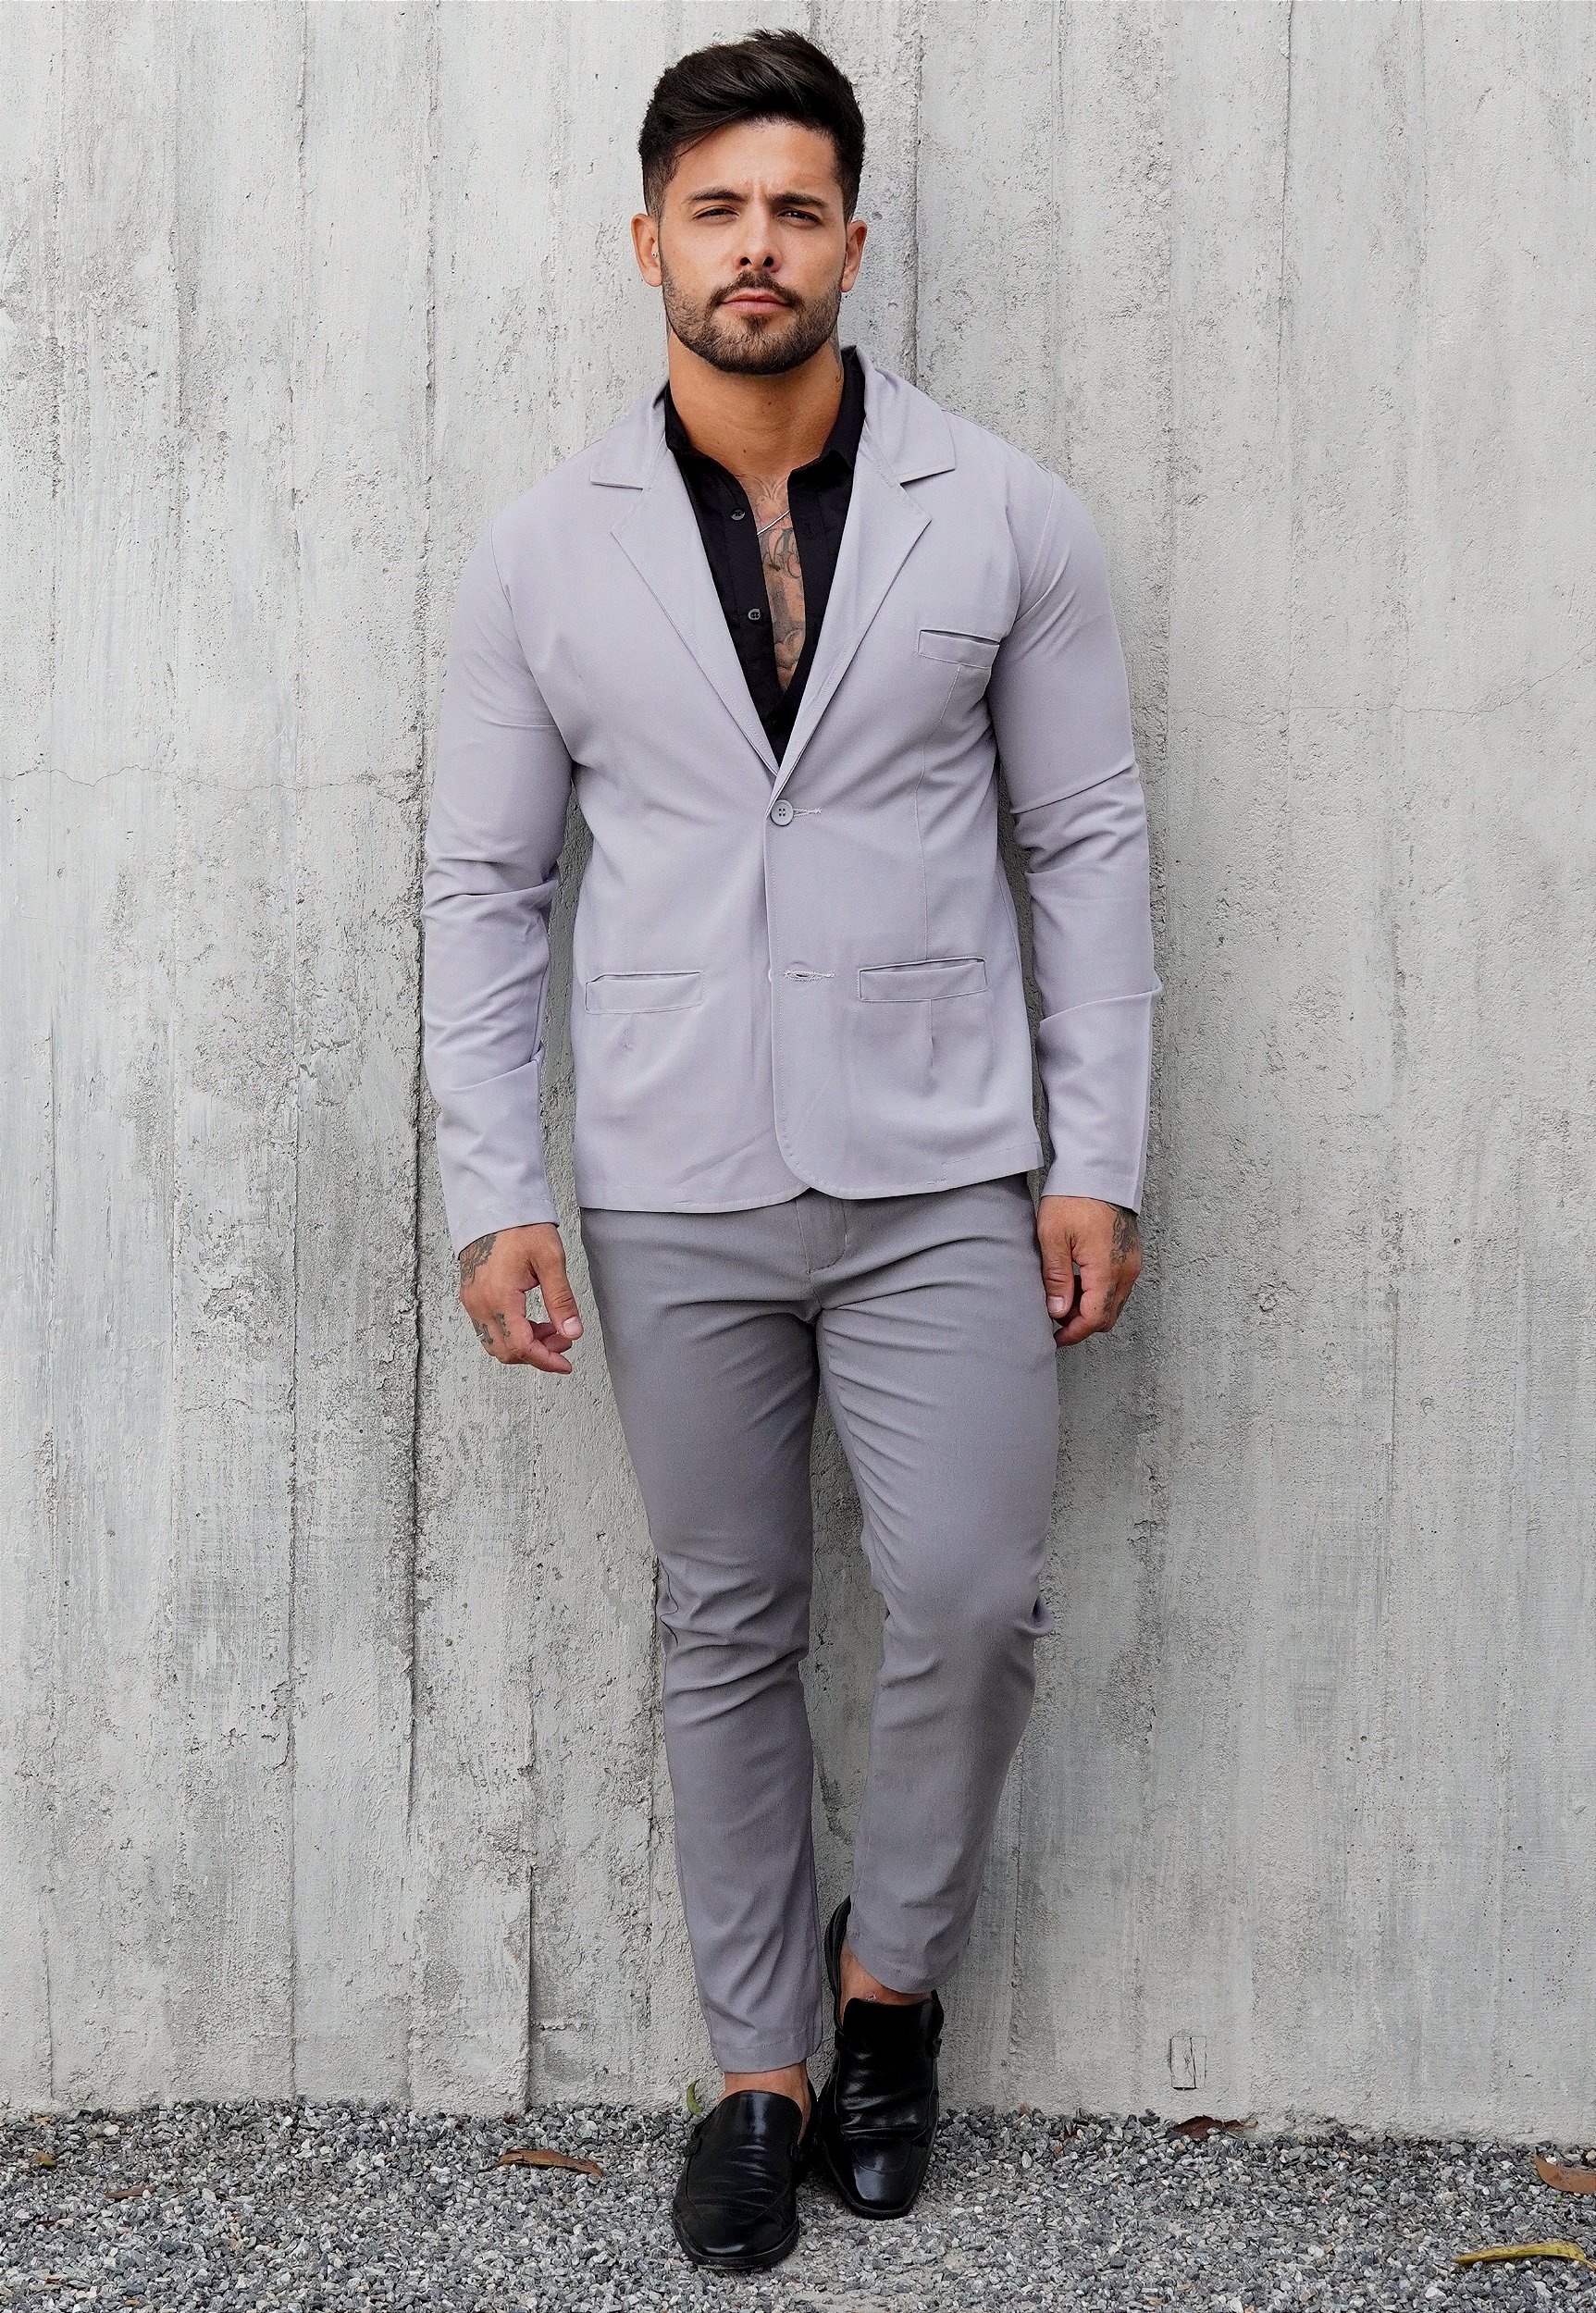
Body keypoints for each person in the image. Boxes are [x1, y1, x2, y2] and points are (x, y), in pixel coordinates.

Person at [420, 25, 1159, 2276]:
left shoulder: (1000, 512)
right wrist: (495, 1185)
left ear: (852, 237)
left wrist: (1094, 1153)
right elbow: (485, 884)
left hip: (944, 1165)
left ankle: (885, 1991)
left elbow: (1082, 839)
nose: (756, 247)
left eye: (795, 209)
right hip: (669, 1174)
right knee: (723, 1616)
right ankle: (755, 2067)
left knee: (969, 1596)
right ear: (646, 239)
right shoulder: (542, 549)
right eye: (716, 210)